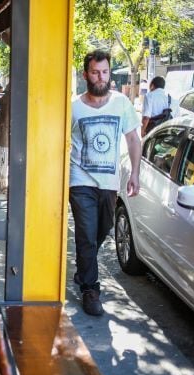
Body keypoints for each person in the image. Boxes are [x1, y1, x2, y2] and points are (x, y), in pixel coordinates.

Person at [70, 50, 141, 316]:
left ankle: (83, 269)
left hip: (109, 183)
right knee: (86, 234)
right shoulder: (74, 107)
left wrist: (135, 173)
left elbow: (134, 139)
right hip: (80, 181)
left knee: (103, 229)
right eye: (95, 72)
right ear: (85, 74)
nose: (101, 77)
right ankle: (90, 289)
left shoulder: (121, 103)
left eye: (105, 72)